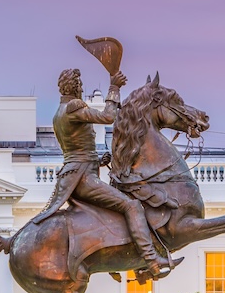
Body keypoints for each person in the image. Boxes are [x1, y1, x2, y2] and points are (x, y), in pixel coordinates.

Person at [32, 68, 174, 278]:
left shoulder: (58, 113)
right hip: (83, 179)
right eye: (80, 84)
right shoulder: (73, 107)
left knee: (113, 210)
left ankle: (116, 259)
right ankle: (152, 261)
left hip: (76, 175)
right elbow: (108, 117)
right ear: (76, 86)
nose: (82, 87)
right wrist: (114, 88)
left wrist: (98, 160)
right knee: (131, 205)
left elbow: (75, 151)